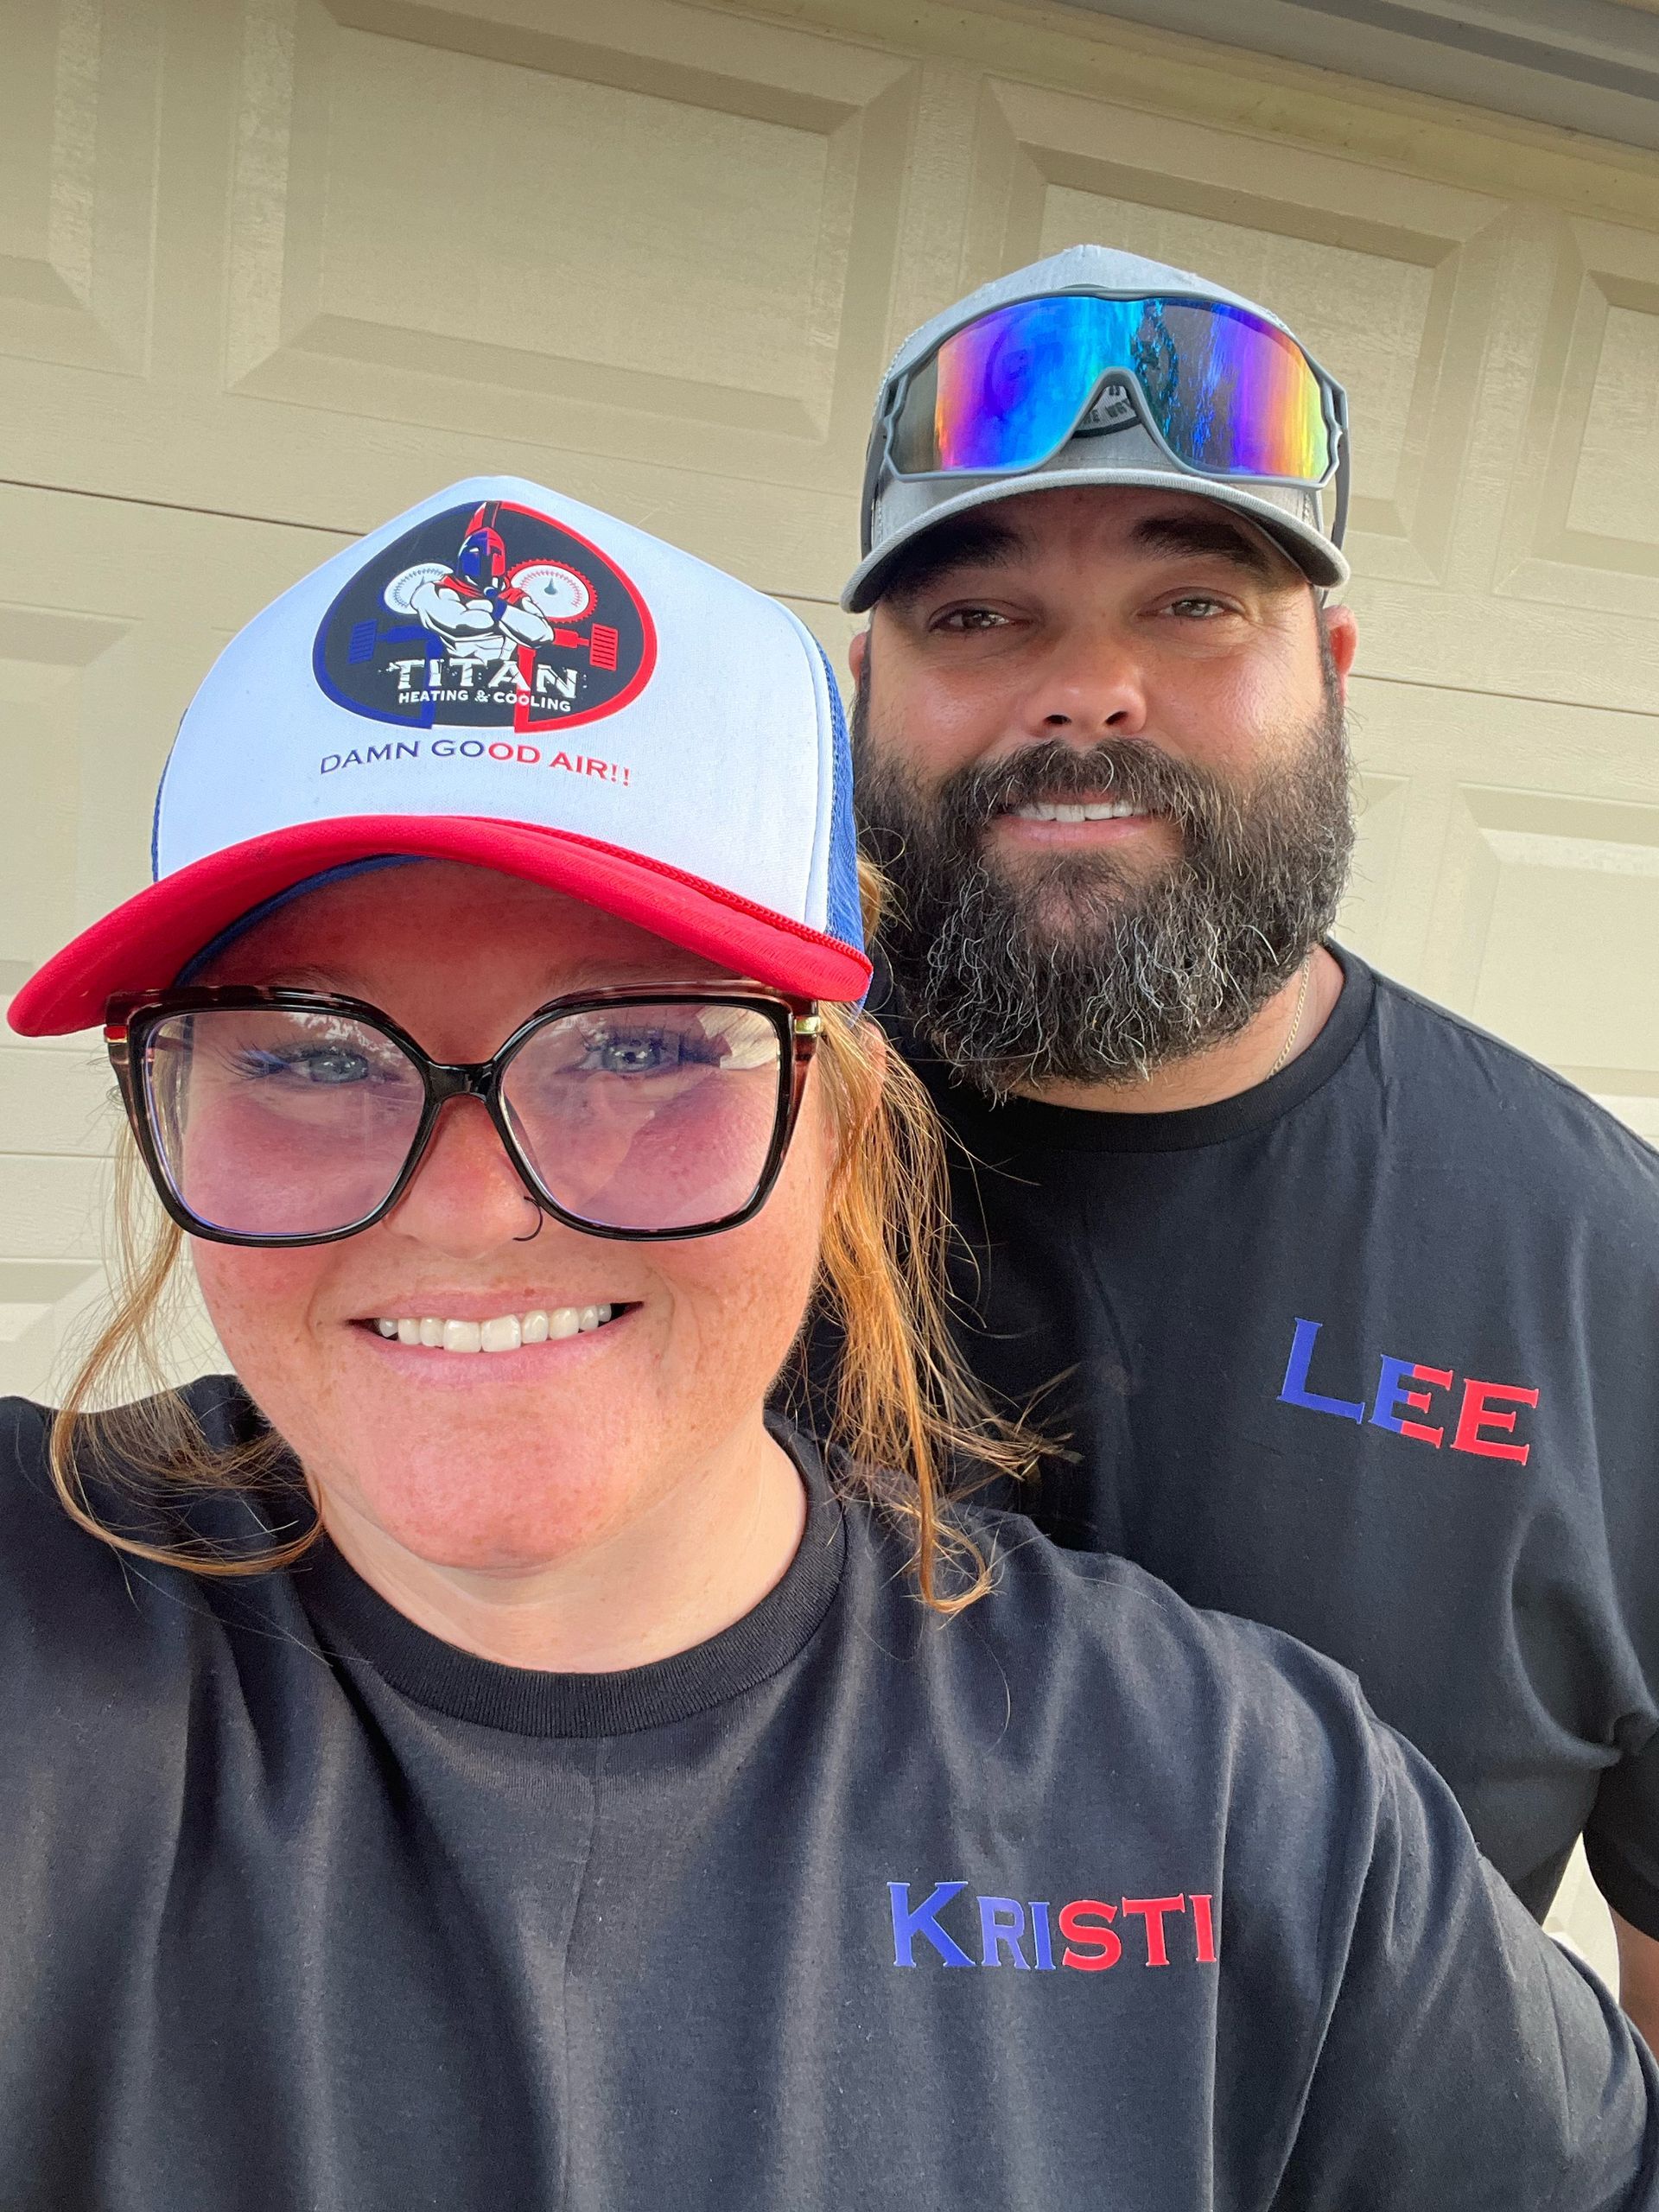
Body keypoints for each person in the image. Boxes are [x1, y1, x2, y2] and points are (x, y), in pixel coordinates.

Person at [2, 474, 1653, 2212]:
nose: (471, 1204)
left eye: (642, 1046)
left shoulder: (1261, 1820)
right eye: (314, 1051)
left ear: (844, 1124)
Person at [838, 241, 1659, 2041]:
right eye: (976, 615)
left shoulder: (1607, 1272)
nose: (1091, 691)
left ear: (1336, 673)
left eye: (1198, 602)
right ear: (863, 682)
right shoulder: (667, 1167)